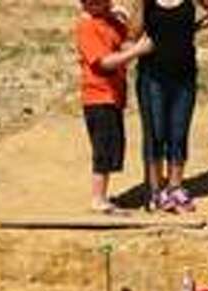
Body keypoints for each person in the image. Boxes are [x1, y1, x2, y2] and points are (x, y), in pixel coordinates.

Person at [132, 0, 208, 213]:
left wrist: (194, 27)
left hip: (184, 75)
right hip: (153, 76)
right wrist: (139, 6)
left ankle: (175, 187)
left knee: (179, 131)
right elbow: (133, 35)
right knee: (155, 133)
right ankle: (155, 191)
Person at [76, 0, 154, 213]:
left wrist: (127, 19)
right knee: (103, 149)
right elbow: (104, 63)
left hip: (113, 96)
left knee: (112, 148)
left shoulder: (109, 22)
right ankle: (97, 199)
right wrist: (137, 51)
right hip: (98, 96)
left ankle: (102, 196)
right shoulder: (87, 27)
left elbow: (125, 42)